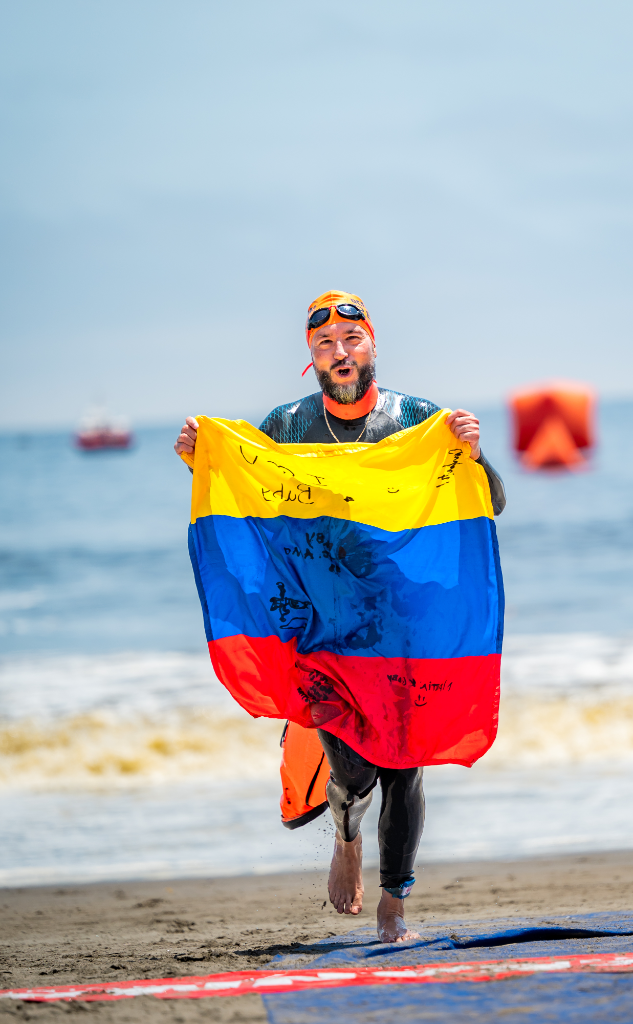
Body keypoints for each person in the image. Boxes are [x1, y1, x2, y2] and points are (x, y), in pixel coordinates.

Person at [175, 289, 505, 943]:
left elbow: (488, 502)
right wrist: (201, 462)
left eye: (351, 340)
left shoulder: (418, 421)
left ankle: (393, 904)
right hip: (323, 626)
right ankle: (347, 835)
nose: (339, 352)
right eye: (325, 344)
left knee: (403, 764)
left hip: (401, 623)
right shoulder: (286, 425)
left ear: (371, 345)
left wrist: (472, 456)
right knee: (353, 770)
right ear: (313, 358)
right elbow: (250, 503)